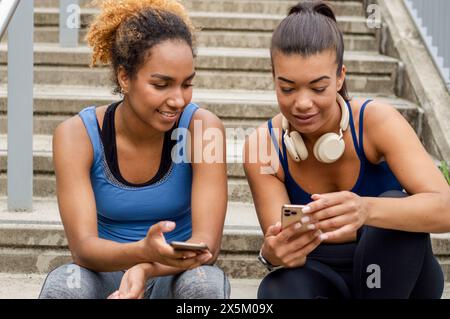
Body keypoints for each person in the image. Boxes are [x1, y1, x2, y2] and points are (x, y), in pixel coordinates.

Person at [243, 0, 450, 299]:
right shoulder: (263, 146)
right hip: (320, 274)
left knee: (393, 208)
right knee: (278, 289)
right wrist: (273, 253)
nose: (302, 103)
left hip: (398, 274)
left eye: (317, 88)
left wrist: (367, 210)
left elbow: (445, 208)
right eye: (287, 88)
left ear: (340, 77)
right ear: (273, 79)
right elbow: (288, 251)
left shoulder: (376, 121)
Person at [39, 0, 230, 299]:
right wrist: (139, 252)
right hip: (104, 272)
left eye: (186, 84)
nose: (178, 100)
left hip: (175, 271)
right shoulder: (77, 135)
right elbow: (84, 248)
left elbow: (207, 245)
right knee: (64, 286)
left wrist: (145, 267)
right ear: (124, 77)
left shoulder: (202, 129)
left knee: (205, 284)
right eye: (161, 84)